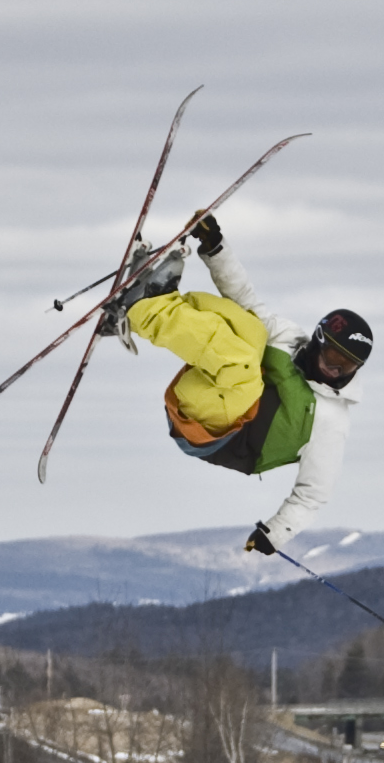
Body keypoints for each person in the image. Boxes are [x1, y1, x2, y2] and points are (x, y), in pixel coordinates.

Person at [118, 213, 370, 556]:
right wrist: (216, 248)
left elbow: (314, 493)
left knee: (242, 369)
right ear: (317, 342)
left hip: (216, 437)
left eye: (347, 367)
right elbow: (245, 300)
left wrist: (275, 533)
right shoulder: (289, 340)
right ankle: (158, 300)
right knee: (250, 328)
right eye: (332, 359)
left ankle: (141, 310)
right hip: (207, 393)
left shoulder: (331, 418)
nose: (336, 372)